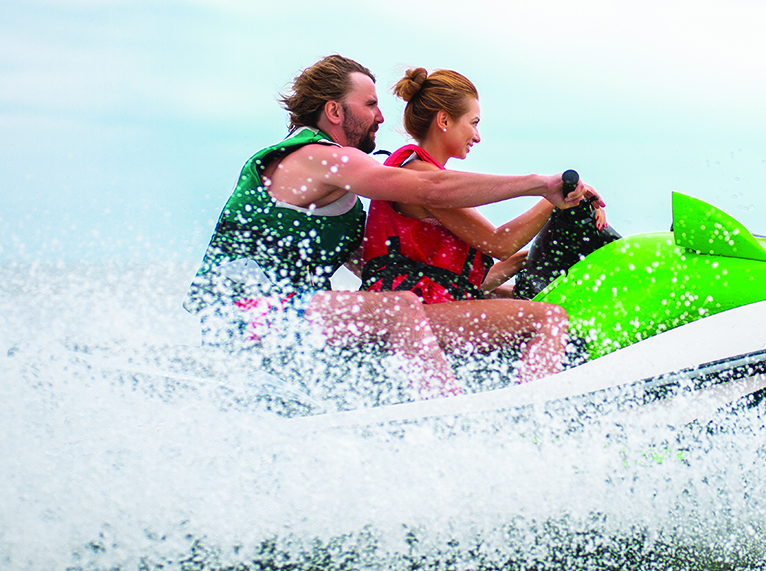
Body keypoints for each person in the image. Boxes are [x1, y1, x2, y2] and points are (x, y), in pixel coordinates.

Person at [186, 54, 594, 398]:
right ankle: (448, 412)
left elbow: (382, 268)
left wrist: (506, 280)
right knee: (399, 307)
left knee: (403, 302)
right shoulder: (317, 156)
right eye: (369, 105)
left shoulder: (339, 202)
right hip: (240, 313)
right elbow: (429, 188)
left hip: (293, 321)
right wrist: (539, 185)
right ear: (334, 111)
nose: (382, 116)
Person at [362, 68, 607, 383]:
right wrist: (552, 200)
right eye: (473, 123)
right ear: (444, 121)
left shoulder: (424, 174)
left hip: (428, 308)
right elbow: (499, 242)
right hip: (407, 317)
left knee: (531, 303)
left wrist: (526, 261)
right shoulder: (420, 178)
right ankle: (531, 412)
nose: (477, 136)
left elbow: (454, 279)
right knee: (548, 319)